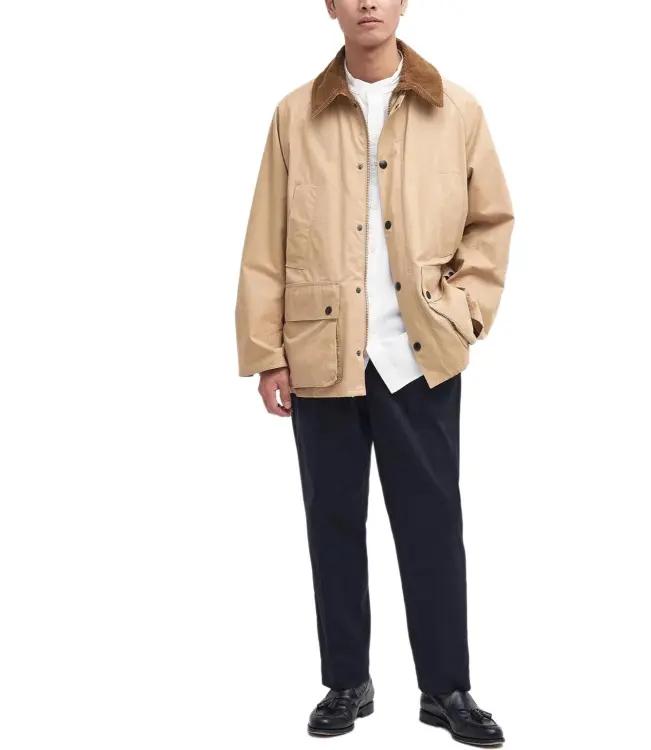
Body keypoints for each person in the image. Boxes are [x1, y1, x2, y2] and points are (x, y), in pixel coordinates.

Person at [234, 1, 513, 745]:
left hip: (419, 356)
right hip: (321, 353)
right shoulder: (294, 116)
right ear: (329, 5)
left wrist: (463, 313)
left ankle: (446, 689)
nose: (367, 3)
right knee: (331, 522)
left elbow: (490, 223)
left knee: (433, 526)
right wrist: (267, 353)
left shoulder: (456, 110)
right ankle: (346, 681)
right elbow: (264, 240)